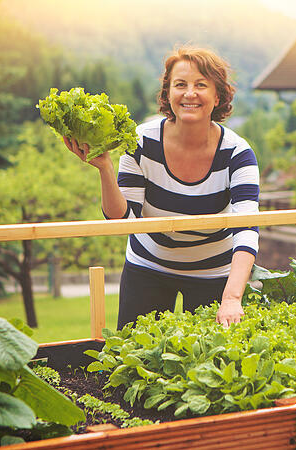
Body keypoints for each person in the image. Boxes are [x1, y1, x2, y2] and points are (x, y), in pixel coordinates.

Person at [64, 46, 259, 329]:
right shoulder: (141, 141)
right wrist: (105, 168)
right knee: (133, 361)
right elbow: (124, 220)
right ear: (168, 93)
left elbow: (247, 229)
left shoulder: (238, 153)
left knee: (210, 365)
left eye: (201, 85)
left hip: (214, 271)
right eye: (180, 84)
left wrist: (231, 297)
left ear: (218, 96)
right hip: (148, 266)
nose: (190, 93)